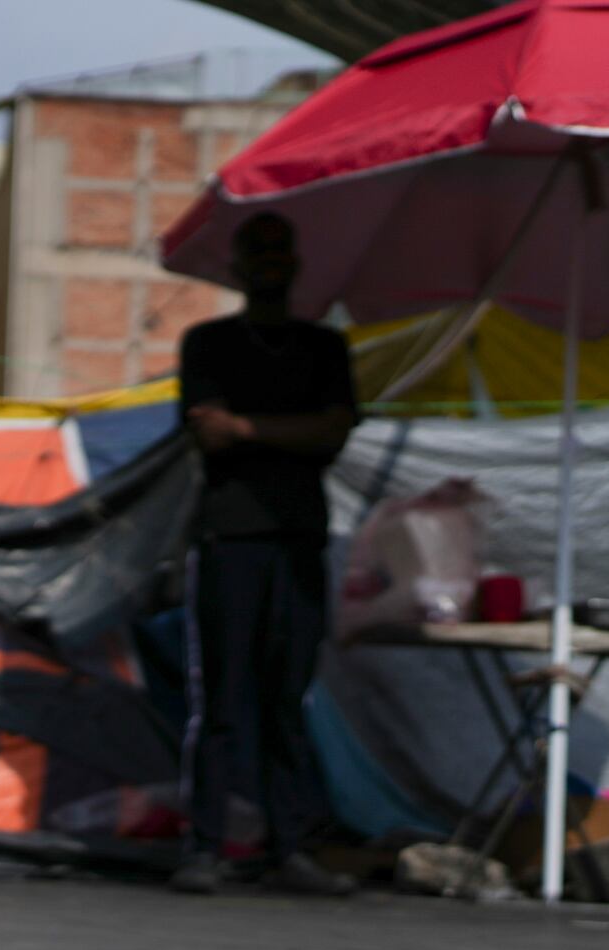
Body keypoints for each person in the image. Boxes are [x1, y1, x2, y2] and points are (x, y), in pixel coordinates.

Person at [173, 211, 359, 897]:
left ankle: (291, 845)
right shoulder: (209, 343)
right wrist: (293, 432)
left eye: (283, 248)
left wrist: (247, 425)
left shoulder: (324, 348)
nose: (272, 261)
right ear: (240, 265)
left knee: (288, 698)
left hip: (298, 540)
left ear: (297, 262)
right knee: (221, 699)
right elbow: (209, 437)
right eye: (259, 250)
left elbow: (334, 432)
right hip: (230, 541)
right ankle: (202, 844)